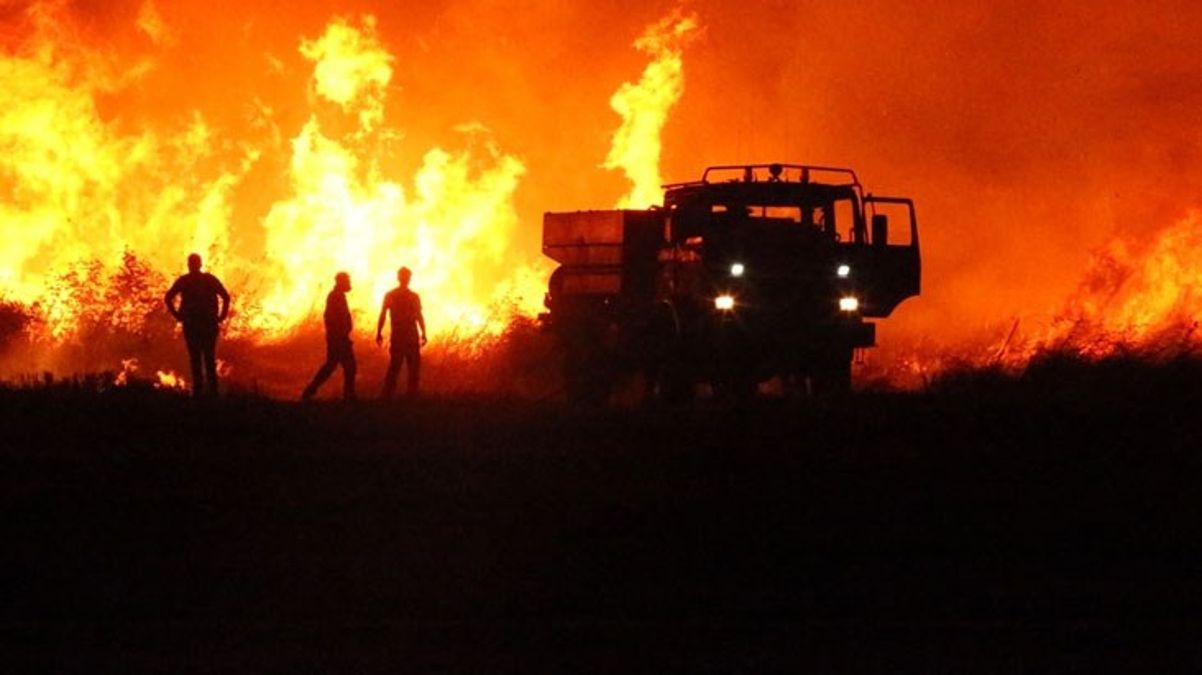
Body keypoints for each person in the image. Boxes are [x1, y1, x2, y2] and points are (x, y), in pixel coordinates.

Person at [164, 253, 230, 398]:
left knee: (197, 360)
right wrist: (221, 316)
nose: (192, 266)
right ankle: (210, 395)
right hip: (203, 325)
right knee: (207, 360)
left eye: (192, 263)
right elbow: (226, 297)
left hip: (195, 325)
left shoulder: (186, 281)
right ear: (199, 264)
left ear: (193, 265)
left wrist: (178, 316)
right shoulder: (208, 280)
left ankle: (201, 395)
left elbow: (168, 298)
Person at [301, 272, 357, 402]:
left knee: (332, 366)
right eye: (348, 281)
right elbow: (329, 317)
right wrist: (338, 336)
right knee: (349, 366)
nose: (350, 284)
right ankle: (348, 396)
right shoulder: (335, 296)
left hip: (339, 338)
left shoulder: (339, 296)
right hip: (338, 339)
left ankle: (310, 391)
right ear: (341, 282)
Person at [376, 266, 427, 399]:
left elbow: (418, 315)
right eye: (405, 276)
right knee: (408, 366)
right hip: (407, 335)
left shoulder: (392, 295)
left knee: (400, 366)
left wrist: (379, 332)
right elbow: (419, 316)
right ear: (401, 278)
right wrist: (423, 332)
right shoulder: (411, 296)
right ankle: (407, 395)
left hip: (403, 335)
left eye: (407, 276)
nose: (406, 279)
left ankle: (389, 395)